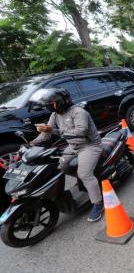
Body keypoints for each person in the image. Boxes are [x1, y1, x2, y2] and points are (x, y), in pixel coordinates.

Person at [29, 88, 104, 222]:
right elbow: (46, 134)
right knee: (59, 167)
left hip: (89, 145)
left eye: (52, 103)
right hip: (73, 146)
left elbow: (81, 132)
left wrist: (55, 130)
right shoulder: (55, 115)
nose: (50, 106)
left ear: (61, 101)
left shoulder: (79, 112)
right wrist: (31, 143)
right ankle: (83, 181)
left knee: (85, 174)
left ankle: (98, 203)